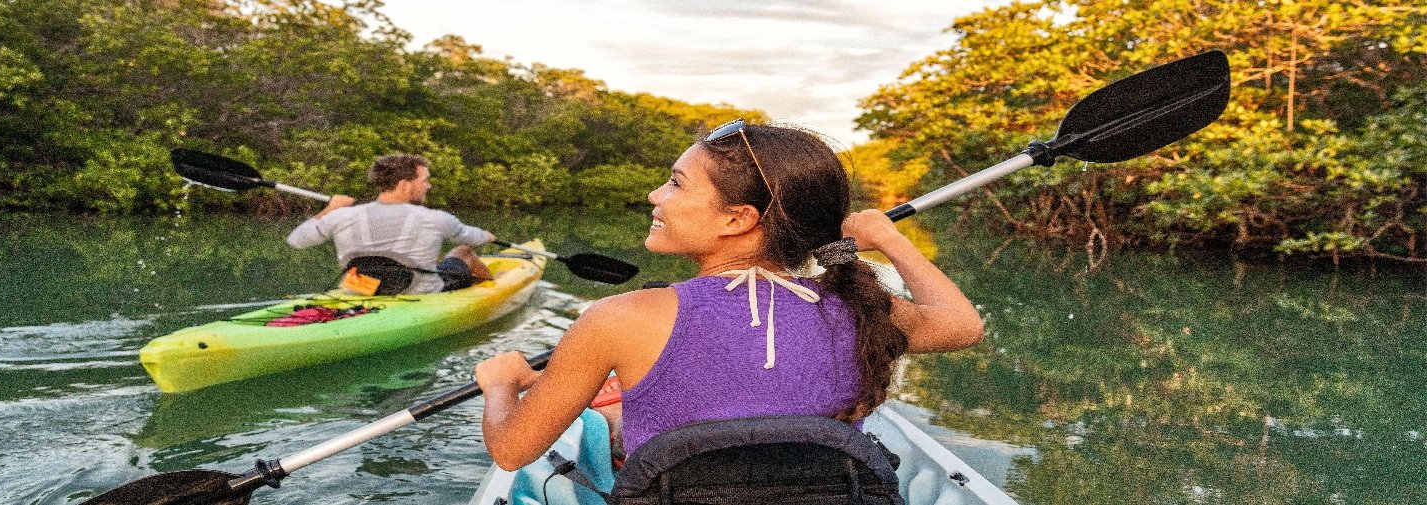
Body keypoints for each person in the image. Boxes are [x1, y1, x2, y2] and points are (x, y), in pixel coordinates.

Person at [474, 120, 985, 471]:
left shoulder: (619, 318)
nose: (655, 196)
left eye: (675, 184)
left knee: (608, 419)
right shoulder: (859, 308)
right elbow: (962, 326)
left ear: (738, 219)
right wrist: (889, 239)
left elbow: (513, 452)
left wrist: (502, 384)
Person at [286, 154, 495, 294]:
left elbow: (296, 240)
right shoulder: (436, 218)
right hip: (420, 292)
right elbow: (473, 237)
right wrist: (487, 236)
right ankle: (494, 287)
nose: (428, 186)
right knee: (463, 251)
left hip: (361, 290)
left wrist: (331, 209)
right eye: (424, 180)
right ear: (404, 185)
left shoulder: (342, 215)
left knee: (431, 258)